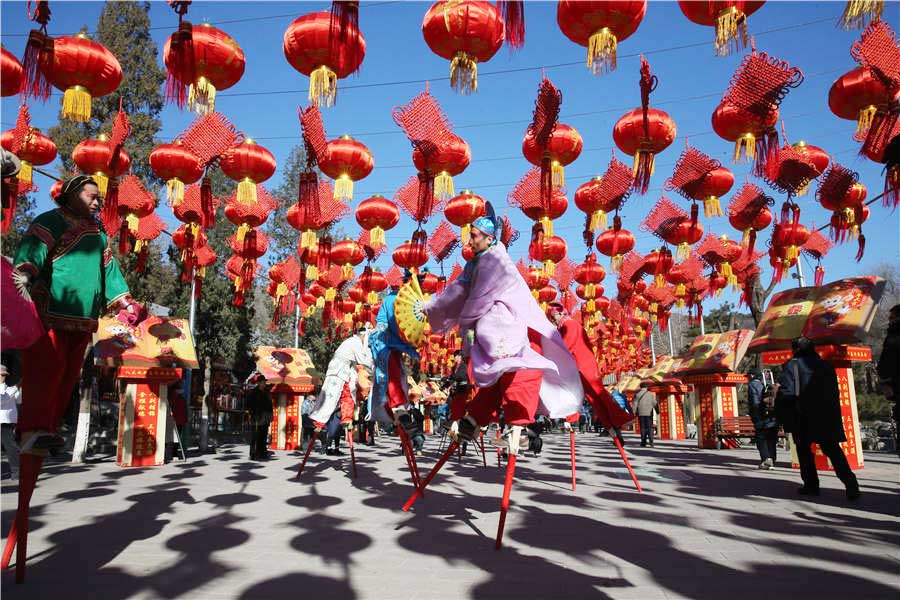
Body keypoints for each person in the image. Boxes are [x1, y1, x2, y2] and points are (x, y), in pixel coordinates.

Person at [422, 215, 583, 451]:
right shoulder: (476, 263)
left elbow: (477, 298)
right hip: (489, 336)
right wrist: (431, 307)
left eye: (474, 236)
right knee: (496, 380)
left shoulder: (496, 261)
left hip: (509, 332)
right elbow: (457, 290)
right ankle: (474, 419)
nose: (469, 241)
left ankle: (519, 428)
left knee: (516, 375)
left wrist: (465, 321)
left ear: (489, 238)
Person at [12, 175, 144, 454]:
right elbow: (34, 249)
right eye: (91, 196)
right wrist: (26, 270)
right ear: (71, 194)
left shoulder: (98, 235)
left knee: (67, 376)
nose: (97, 203)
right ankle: (31, 428)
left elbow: (109, 272)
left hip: (84, 320)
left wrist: (124, 303)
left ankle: (47, 428)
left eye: (99, 198)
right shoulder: (51, 220)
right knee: (45, 370)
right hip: (51, 313)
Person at [778, 337, 860, 500]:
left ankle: (811, 485)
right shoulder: (826, 365)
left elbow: (787, 392)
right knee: (833, 450)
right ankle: (850, 482)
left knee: (804, 451)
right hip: (826, 415)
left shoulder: (792, 365)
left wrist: (783, 411)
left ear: (796, 350)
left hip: (802, 416)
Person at [547, 302, 632, 445]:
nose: (553, 319)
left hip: (584, 365)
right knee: (593, 399)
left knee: (599, 394)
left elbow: (567, 345)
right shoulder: (562, 327)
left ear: (561, 313)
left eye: (553, 316)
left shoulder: (570, 325)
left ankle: (617, 420)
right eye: (551, 317)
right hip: (576, 367)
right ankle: (612, 430)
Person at [310, 327, 373, 440]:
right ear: (364, 336)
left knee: (348, 392)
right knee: (330, 396)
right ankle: (318, 422)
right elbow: (364, 360)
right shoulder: (355, 342)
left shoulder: (353, 342)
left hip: (346, 370)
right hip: (338, 370)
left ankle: (346, 418)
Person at [876, 304, 900, 457]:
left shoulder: (893, 338)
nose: (890, 321)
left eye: (892, 318)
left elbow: (884, 366)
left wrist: (885, 382)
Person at [747, 368, 778, 469]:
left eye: (748, 376)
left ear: (752, 375)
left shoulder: (752, 385)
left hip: (761, 417)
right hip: (772, 417)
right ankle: (772, 459)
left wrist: (755, 416)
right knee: (772, 439)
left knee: (761, 438)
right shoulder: (769, 384)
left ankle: (766, 460)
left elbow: (754, 402)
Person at [246, 374, 273, 460]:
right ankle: (253, 454)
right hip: (256, 417)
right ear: (258, 383)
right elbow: (248, 405)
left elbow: (270, 405)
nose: (264, 383)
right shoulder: (253, 392)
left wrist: (271, 415)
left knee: (263, 435)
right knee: (255, 436)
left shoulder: (267, 392)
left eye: (264, 382)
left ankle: (262, 453)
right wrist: (252, 413)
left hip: (265, 417)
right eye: (262, 382)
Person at [1, 364, 21, 480]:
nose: (3, 377)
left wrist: (22, 388)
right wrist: (16, 387)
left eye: (4, 375)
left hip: (5, 422)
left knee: (11, 447)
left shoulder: (10, 389)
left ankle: (16, 472)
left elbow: (19, 400)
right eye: (1, 375)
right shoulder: (12, 389)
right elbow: (1, 400)